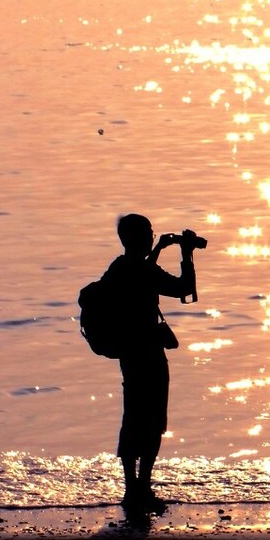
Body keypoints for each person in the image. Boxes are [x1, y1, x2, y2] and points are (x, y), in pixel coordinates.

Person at [105, 213, 198, 514]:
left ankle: (133, 489)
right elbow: (184, 288)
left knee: (133, 418)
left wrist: (158, 249)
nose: (151, 235)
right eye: (148, 233)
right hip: (150, 356)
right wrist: (186, 254)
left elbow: (142, 271)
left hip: (129, 356)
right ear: (138, 237)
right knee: (153, 422)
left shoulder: (119, 268)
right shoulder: (143, 271)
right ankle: (141, 488)